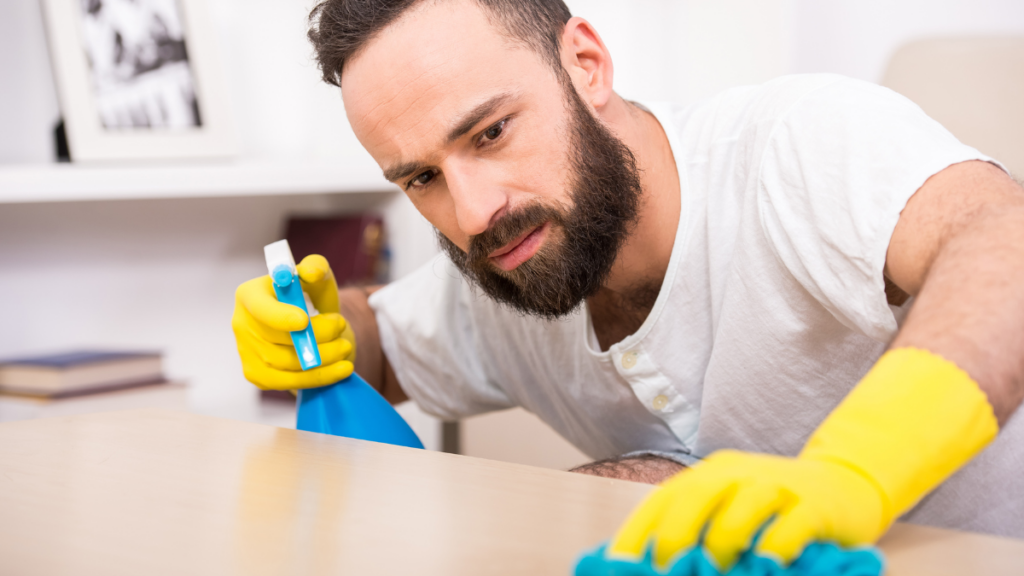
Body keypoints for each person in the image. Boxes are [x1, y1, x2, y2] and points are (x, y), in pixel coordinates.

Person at [231, 0, 1024, 569]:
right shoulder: (509, 260)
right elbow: (381, 350)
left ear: (586, 64)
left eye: (492, 132)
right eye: (422, 178)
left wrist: (855, 469)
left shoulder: (797, 144)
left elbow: (1007, 240)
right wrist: (317, 331)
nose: (473, 214)